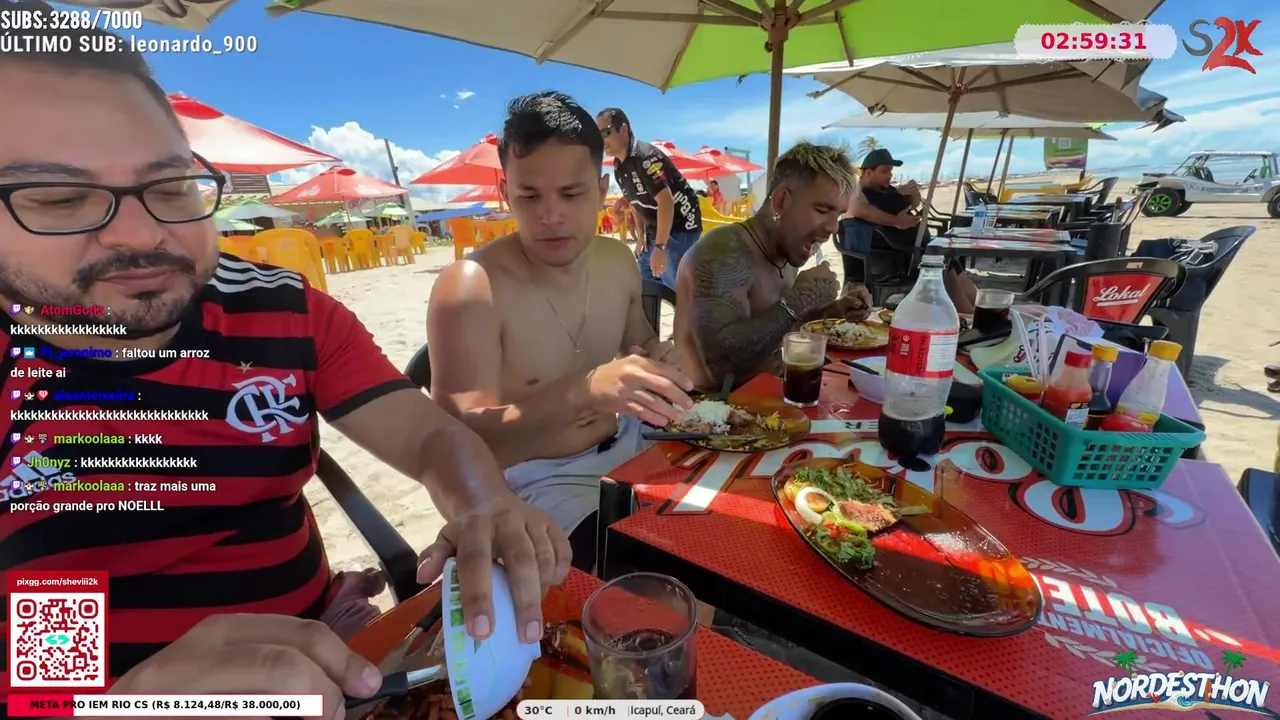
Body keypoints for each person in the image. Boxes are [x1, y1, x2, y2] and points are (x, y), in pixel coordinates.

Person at [0, 25, 568, 711]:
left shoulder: (280, 309)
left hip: (330, 659)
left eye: (171, 186)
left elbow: (427, 435)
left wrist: (481, 500)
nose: (142, 233)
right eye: (59, 198)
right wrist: (111, 697)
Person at [426, 91, 695, 573]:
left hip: (633, 445)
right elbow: (457, 450)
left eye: (571, 194)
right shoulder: (471, 287)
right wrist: (583, 392)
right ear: (505, 192)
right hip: (539, 481)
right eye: (529, 196)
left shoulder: (617, 261)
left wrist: (660, 357)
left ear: (601, 189)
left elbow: (639, 341)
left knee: (729, 527)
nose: (550, 216)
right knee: (656, 578)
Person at [674, 142, 873, 391]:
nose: (833, 227)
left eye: (839, 214)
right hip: (710, 405)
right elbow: (722, 369)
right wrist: (799, 299)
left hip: (773, 390)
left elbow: (780, 326)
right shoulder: (721, 255)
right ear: (780, 201)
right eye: (823, 210)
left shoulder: (786, 248)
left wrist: (835, 310)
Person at [844, 148, 978, 313]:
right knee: (944, 265)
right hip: (898, 260)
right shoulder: (858, 193)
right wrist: (896, 221)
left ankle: (978, 309)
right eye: (885, 171)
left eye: (891, 171)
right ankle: (969, 314)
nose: (890, 175)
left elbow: (910, 204)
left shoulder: (885, 191)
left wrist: (913, 195)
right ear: (869, 172)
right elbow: (859, 209)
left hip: (911, 252)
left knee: (950, 262)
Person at [596, 108, 702, 289]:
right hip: (658, 230)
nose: (601, 140)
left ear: (623, 129)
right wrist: (640, 237)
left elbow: (666, 201)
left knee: (677, 287)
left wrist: (660, 247)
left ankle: (694, 306)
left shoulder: (645, 157)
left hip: (681, 226)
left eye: (605, 133)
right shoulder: (619, 166)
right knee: (645, 280)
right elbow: (635, 204)